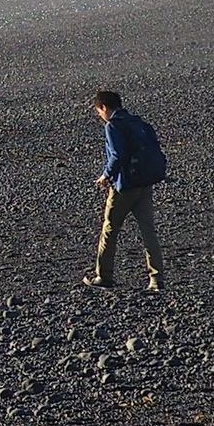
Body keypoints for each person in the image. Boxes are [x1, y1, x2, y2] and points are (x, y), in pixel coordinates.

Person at [86, 88, 166, 292]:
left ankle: (104, 276)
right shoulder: (138, 122)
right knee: (148, 231)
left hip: (125, 186)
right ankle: (156, 280)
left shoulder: (113, 126)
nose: (100, 116)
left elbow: (117, 155)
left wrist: (105, 175)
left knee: (110, 229)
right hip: (145, 182)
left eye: (99, 111)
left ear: (103, 107)